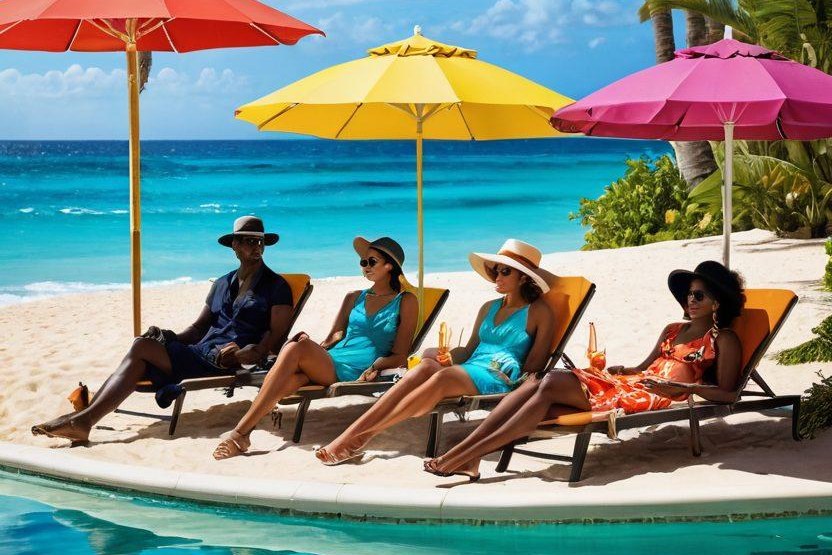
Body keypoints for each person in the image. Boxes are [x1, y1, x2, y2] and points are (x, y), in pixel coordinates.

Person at [423, 259, 745, 482]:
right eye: (689, 293)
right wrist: (623, 368)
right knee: (534, 387)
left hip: (648, 397)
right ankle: (467, 456)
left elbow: (730, 393)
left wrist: (687, 391)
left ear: (717, 302)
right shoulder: (673, 328)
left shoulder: (723, 340)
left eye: (699, 295)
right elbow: (643, 367)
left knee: (544, 384)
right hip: (629, 383)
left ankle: (467, 456)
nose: (690, 299)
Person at [31, 215, 294, 443]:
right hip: (200, 353)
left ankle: (82, 419)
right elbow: (199, 327)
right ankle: (83, 421)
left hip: (228, 359)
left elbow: (277, 334)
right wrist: (169, 340)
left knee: (140, 348)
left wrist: (256, 353)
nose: (256, 246)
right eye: (249, 240)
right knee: (143, 351)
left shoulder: (275, 285)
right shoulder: (223, 283)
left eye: (260, 241)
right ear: (234, 246)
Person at [315, 239, 557, 467]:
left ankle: (355, 440)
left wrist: (514, 382)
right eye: (495, 270)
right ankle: (352, 437)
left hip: (498, 375)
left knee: (442, 377)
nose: (496, 276)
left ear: (524, 278)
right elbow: (469, 350)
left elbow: (536, 364)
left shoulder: (539, 312)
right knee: (426, 367)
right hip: (471, 368)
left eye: (505, 272)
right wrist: (445, 355)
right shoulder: (489, 307)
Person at [212, 235, 418, 459]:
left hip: (357, 367)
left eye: (371, 262)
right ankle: (241, 434)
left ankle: (238, 434)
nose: (365, 267)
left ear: (389, 266)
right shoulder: (353, 297)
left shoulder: (406, 301)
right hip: (333, 358)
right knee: (294, 376)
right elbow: (335, 335)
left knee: (293, 350)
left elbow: (400, 354)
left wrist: (378, 366)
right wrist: (317, 346)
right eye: (363, 262)